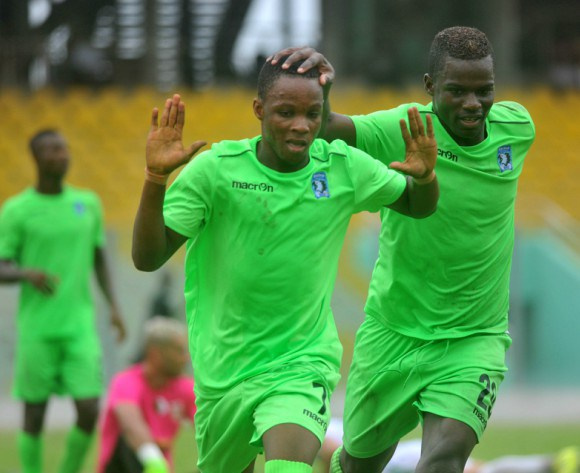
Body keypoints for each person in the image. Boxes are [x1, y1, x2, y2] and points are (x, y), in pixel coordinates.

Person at [132, 56, 439, 473]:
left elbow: (417, 206)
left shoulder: (342, 167)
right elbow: (147, 258)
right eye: (286, 113)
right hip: (224, 373)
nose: (301, 125)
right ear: (259, 110)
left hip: (301, 362)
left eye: (313, 114)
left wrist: (425, 179)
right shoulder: (216, 172)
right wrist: (154, 179)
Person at [271, 25, 536, 473]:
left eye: (484, 90)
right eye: (456, 91)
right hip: (393, 333)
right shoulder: (404, 128)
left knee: (444, 458)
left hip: (474, 339)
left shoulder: (517, 128)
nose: (474, 104)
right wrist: (323, 91)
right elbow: (329, 130)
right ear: (430, 86)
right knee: (357, 464)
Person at [0, 129, 127, 473]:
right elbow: (1, 265)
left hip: (79, 326)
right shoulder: (17, 210)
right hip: (37, 328)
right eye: (53, 150)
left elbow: (99, 258)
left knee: (88, 407)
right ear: (36, 157)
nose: (62, 155)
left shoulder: (87, 203)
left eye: (65, 149)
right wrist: (26, 274)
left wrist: (114, 307)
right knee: (34, 413)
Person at [97, 316, 196, 473]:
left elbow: (208, 425)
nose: (186, 358)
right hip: (123, 467)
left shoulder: (186, 388)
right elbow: (130, 424)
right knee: (126, 439)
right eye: (179, 351)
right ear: (155, 354)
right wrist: (154, 461)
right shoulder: (125, 382)